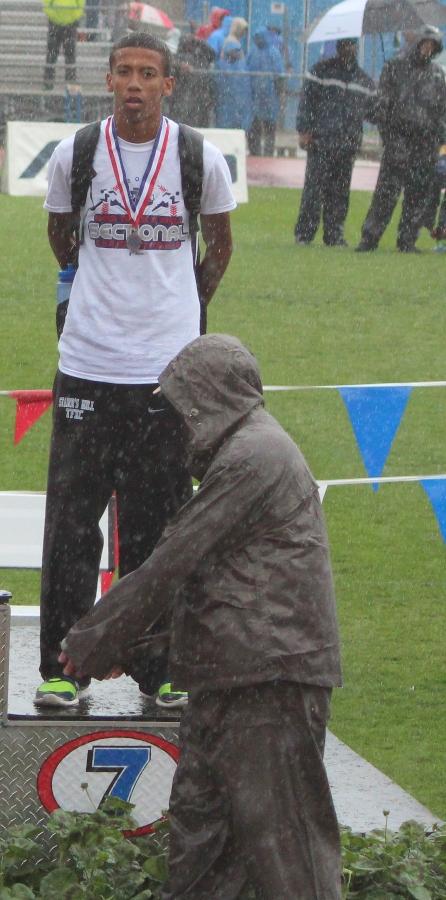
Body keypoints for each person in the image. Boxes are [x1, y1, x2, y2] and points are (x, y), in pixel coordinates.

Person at [59, 332, 343, 900]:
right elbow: (224, 589)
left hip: (269, 685)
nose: (176, 426)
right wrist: (135, 648)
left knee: (289, 860)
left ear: (208, 400)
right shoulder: (245, 454)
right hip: (232, 678)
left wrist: (90, 641)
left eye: (181, 407)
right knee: (204, 852)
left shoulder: (253, 457)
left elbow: (172, 561)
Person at [34, 32, 236, 709]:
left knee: (158, 527)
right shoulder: (78, 152)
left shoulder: (196, 156)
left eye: (148, 73)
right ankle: (64, 667)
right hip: (88, 365)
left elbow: (220, 246)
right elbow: (61, 235)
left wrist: (179, 310)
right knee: (71, 525)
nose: (134, 84)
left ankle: (162, 669)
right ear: (109, 79)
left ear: (168, 84)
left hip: (165, 375)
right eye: (124, 72)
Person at [356, 25, 446, 253]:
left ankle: (407, 240)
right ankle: (370, 238)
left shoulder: (437, 75)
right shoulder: (394, 67)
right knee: (386, 193)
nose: (427, 49)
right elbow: (381, 107)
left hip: (425, 144)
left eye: (432, 46)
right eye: (425, 44)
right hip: (399, 140)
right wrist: (391, 138)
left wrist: (437, 140)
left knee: (416, 195)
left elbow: (442, 112)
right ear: (417, 44)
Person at [294, 38, 376, 247]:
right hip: (321, 141)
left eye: (352, 45)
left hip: (347, 144)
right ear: (339, 47)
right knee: (314, 190)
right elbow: (307, 101)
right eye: (345, 44)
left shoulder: (364, 80)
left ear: (356, 48)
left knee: (340, 192)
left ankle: (334, 234)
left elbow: (373, 113)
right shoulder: (320, 71)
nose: (349, 48)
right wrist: (304, 130)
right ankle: (304, 234)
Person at [246, 27, 284, 157]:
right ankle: (257, 150)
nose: (258, 40)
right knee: (257, 124)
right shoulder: (255, 52)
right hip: (258, 95)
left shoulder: (272, 52)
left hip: (268, 95)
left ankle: (265, 151)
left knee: (267, 125)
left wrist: (279, 92)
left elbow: (279, 76)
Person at [168, 34, 216, 127]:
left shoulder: (200, 57)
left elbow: (212, 54)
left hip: (197, 98)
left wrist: (198, 41)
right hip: (181, 98)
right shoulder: (178, 58)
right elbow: (170, 65)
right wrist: (179, 66)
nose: (190, 46)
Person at [42, 0, 85, 90]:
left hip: (69, 24)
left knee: (69, 55)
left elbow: (80, 5)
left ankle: (70, 83)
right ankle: (48, 83)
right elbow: (46, 4)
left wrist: (71, 17)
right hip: (56, 24)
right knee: (52, 55)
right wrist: (55, 17)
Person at [215, 39, 251, 132]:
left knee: (239, 129)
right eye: (234, 50)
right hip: (226, 102)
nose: (237, 53)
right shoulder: (221, 64)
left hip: (240, 103)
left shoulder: (242, 64)